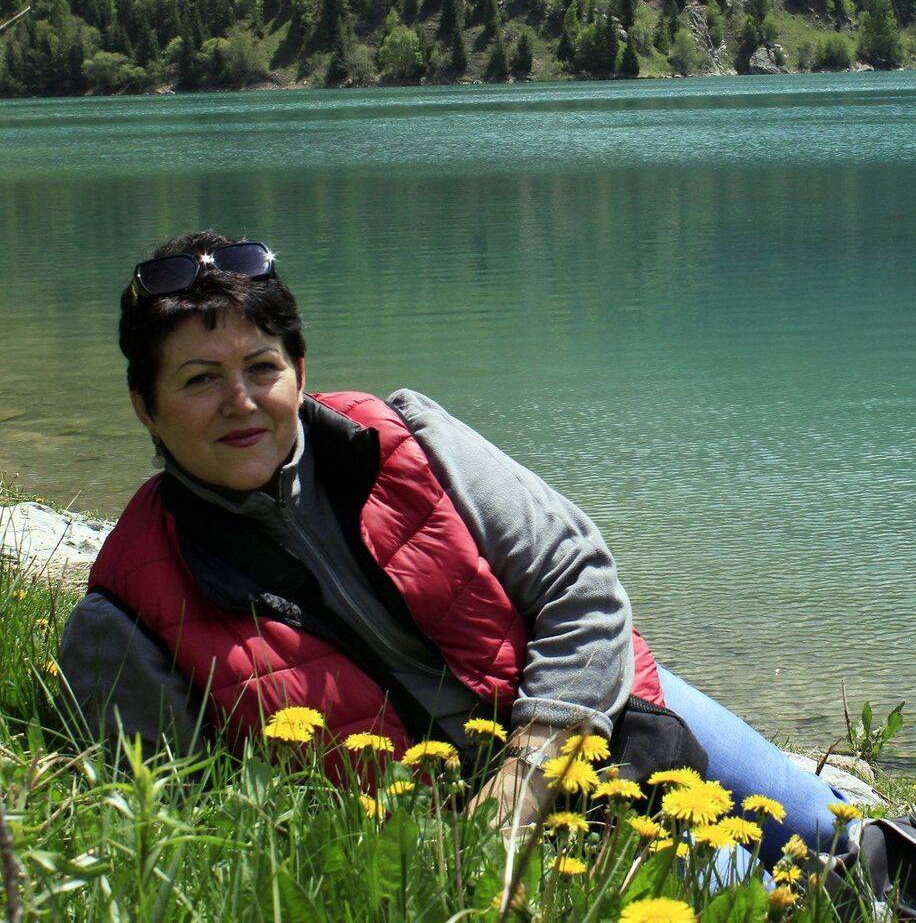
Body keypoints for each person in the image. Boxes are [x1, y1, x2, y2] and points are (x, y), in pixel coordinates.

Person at [58, 229, 848, 876]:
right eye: (200, 380)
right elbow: (198, 832)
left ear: (299, 371)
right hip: (449, 850)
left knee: (833, 832)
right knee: (757, 889)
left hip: (596, 710)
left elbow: (579, 583)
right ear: (145, 407)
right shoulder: (126, 615)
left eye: (262, 367)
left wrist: (529, 771)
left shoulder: (405, 436)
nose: (241, 402)